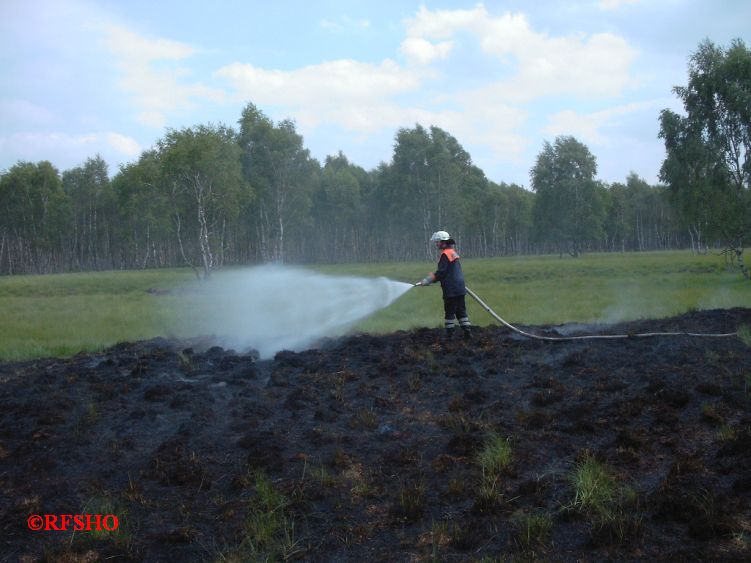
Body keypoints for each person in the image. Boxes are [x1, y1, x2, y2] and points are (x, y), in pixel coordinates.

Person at [416, 231, 472, 339]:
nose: (436, 244)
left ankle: (449, 335)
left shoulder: (445, 255)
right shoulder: (452, 252)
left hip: (451, 289)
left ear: (443, 242)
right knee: (461, 311)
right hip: (460, 287)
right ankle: (467, 332)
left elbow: (441, 272)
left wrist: (428, 280)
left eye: (437, 242)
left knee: (449, 312)